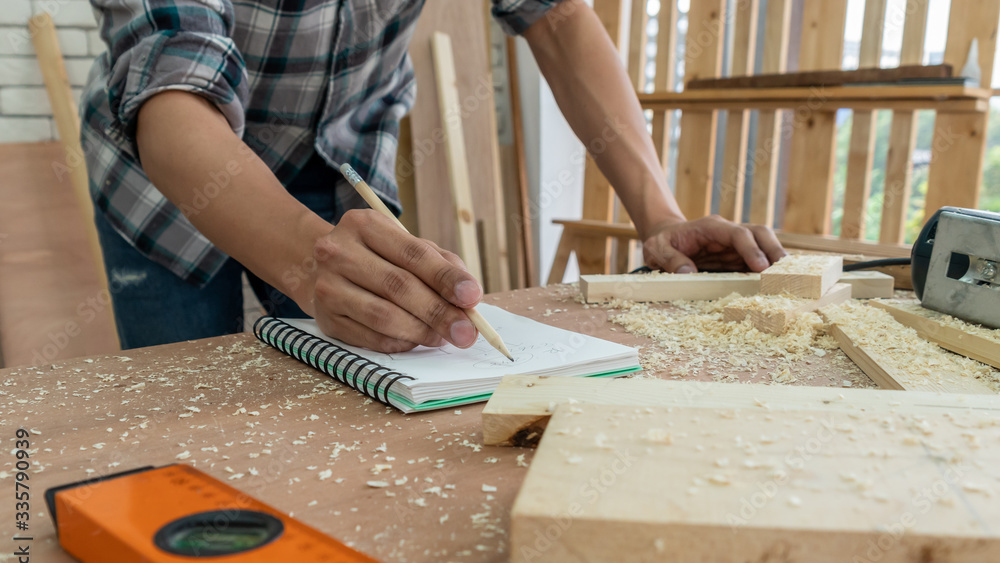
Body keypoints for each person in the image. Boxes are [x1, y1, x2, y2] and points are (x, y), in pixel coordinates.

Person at [83, 0, 786, 352]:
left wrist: (658, 214)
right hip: (171, 174)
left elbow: (559, 17)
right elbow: (173, 100)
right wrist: (306, 260)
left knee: (361, 397)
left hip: (339, 163)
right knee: (184, 404)